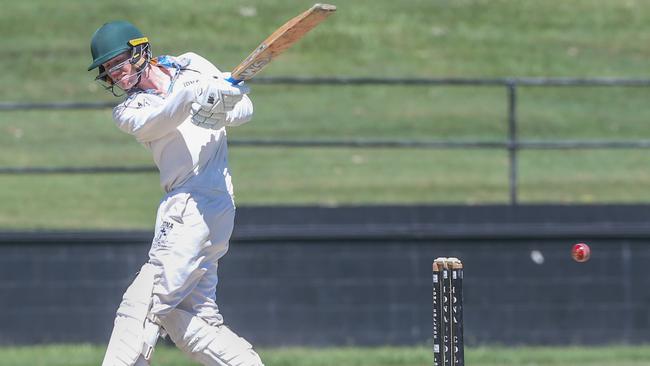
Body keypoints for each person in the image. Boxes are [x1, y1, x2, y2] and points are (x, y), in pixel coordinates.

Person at [88, 20, 263, 366]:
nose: (116, 74)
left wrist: (223, 99)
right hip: (200, 209)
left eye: (119, 62)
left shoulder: (192, 64)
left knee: (146, 304)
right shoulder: (129, 110)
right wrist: (195, 95)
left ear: (140, 50)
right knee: (193, 317)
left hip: (197, 208)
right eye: (108, 69)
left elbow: (243, 112)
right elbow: (163, 118)